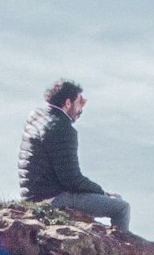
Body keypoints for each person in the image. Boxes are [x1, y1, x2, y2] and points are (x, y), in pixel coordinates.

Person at [18, 79, 131, 231]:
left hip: (31, 195)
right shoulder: (62, 129)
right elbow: (72, 180)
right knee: (121, 207)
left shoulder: (37, 116)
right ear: (68, 103)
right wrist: (104, 193)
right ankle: (122, 252)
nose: (81, 109)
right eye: (79, 103)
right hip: (52, 198)